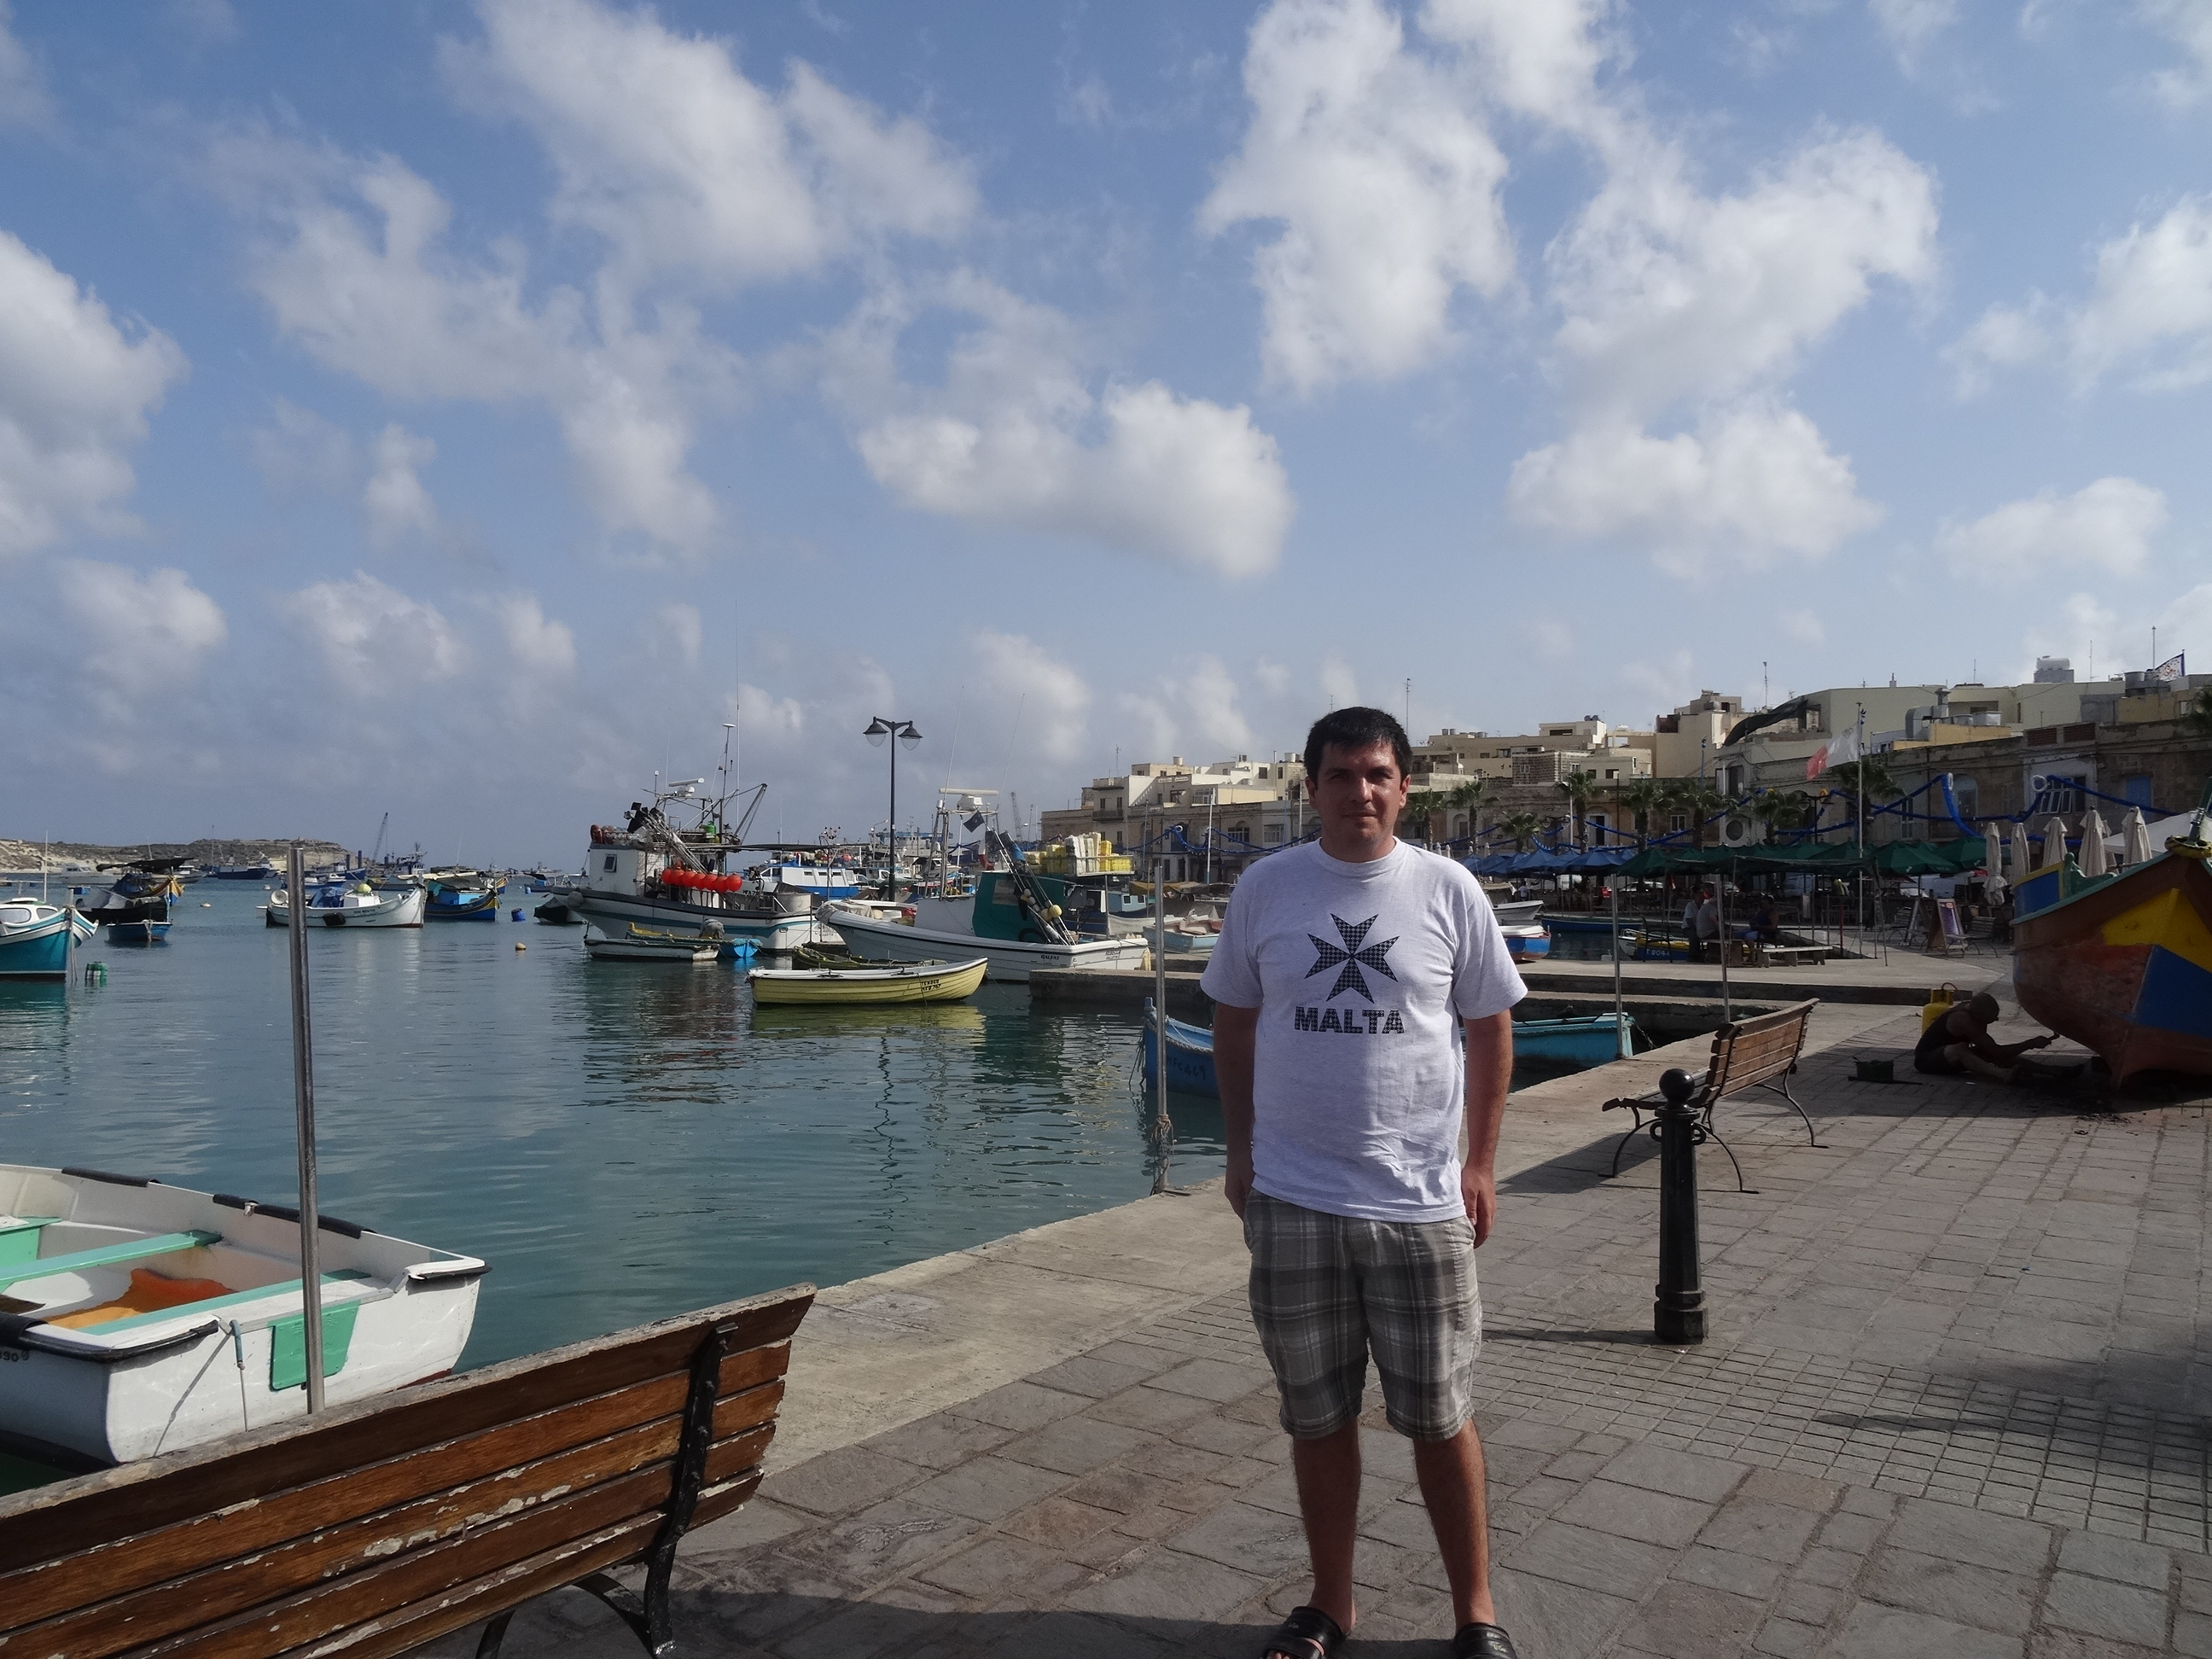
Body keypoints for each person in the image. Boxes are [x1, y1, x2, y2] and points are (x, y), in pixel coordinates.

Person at [1204, 707, 1524, 1659]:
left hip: (1419, 1202)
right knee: (1317, 1416)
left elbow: (1490, 1029)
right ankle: (1330, 1604)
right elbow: (1232, 1023)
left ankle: (1477, 1614)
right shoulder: (1267, 887)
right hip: (1294, 1197)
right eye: (1341, 776)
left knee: (1441, 1417)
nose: (1361, 792)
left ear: (1405, 787)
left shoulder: (1447, 889)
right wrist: (1239, 1152)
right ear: (1312, 788)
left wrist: (1479, 1163)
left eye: (1378, 774)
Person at [1914, 990, 2055, 1081]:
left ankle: (2051, 1071)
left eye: (1996, 1015)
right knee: (1960, 1048)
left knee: (1985, 1052)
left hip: (1947, 1058)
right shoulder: (1963, 1019)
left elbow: (1993, 1052)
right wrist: (2030, 1044)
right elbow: (1998, 1052)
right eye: (1991, 1018)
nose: (1996, 1020)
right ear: (1977, 1015)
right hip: (1926, 1061)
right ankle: (2003, 1074)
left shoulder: (1973, 1009)